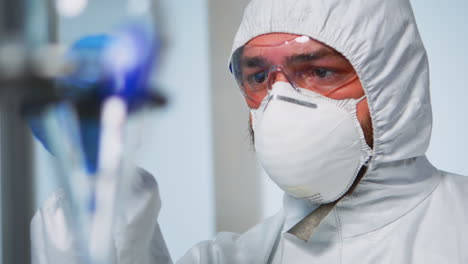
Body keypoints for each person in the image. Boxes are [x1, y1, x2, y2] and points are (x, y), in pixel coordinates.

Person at [31, 0, 468, 263]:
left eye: (317, 71)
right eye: (259, 78)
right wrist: (97, 180)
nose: (281, 101)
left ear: (391, 83)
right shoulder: (237, 258)